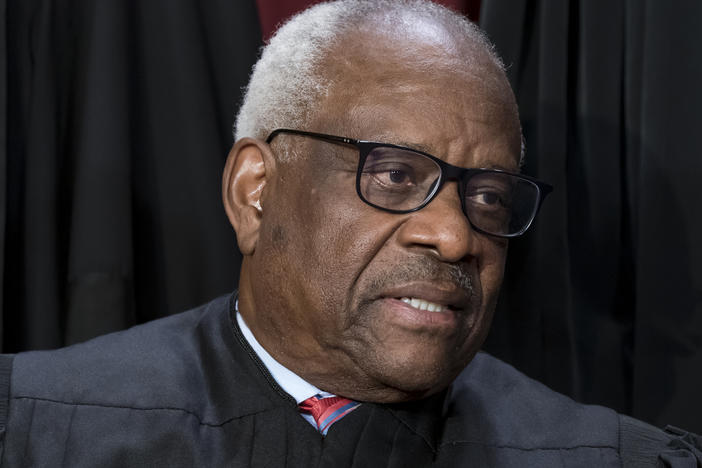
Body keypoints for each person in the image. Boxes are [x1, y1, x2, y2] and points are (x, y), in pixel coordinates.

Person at [1, 1, 700, 466]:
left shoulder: (603, 457)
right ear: (256, 192)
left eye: (487, 196)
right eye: (395, 175)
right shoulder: (39, 429)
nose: (455, 237)